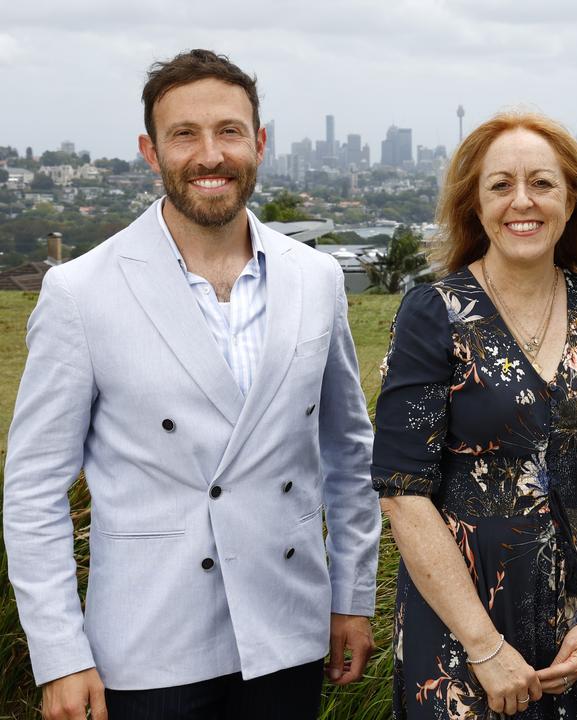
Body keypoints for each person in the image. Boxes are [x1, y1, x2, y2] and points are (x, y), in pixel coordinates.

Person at [2, 50, 381, 719]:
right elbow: (34, 489)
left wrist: (352, 595)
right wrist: (60, 654)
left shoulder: (315, 279)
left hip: (287, 631)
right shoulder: (81, 291)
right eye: (185, 135)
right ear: (151, 152)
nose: (210, 155)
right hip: (147, 643)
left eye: (229, 132)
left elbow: (351, 455)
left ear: (259, 143)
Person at [373, 111, 577, 719]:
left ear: (573, 200)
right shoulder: (434, 314)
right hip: (460, 635)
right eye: (501, 185)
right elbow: (402, 492)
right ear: (475, 204)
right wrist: (484, 646)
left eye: (542, 184)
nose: (521, 201)